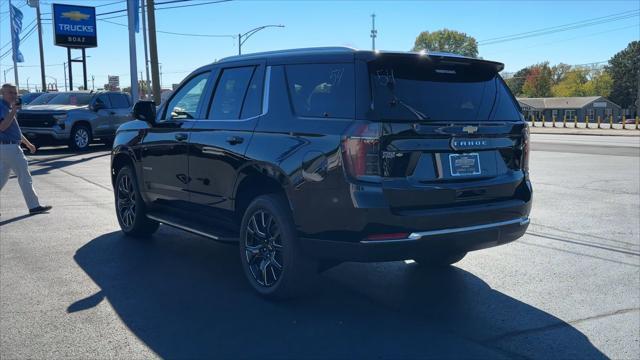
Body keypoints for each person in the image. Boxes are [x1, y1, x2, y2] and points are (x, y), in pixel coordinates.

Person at [0, 83, 51, 215]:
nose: (13, 95)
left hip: (6, 147)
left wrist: (28, 144)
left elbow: (14, 131)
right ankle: (34, 206)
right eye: (10, 92)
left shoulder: (8, 107)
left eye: (15, 93)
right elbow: (3, 127)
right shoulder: (2, 107)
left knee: (1, 179)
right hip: (9, 147)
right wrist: (14, 111)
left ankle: (34, 205)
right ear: (3, 93)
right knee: (25, 177)